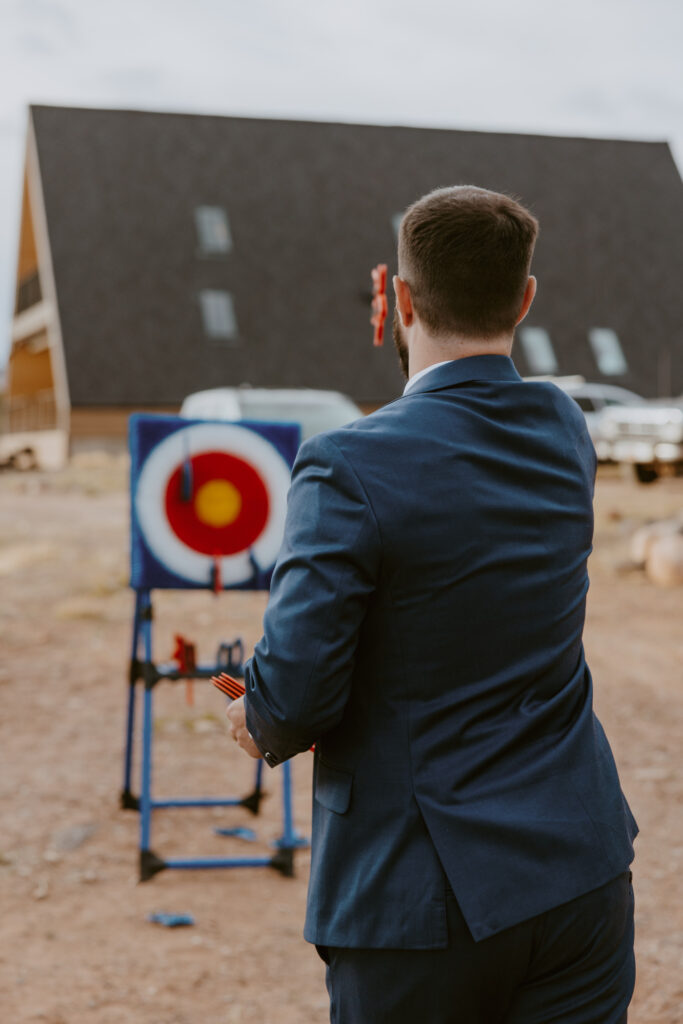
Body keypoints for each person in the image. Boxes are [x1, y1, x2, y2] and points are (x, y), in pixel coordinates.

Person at [227, 185, 638, 1023]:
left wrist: (260, 719)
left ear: (399, 299)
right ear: (524, 299)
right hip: (581, 872)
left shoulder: (344, 464)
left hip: (419, 892)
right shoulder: (565, 428)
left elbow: (299, 691)